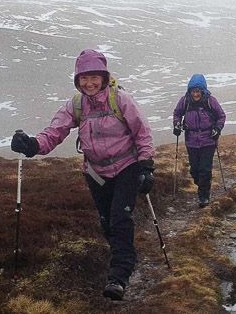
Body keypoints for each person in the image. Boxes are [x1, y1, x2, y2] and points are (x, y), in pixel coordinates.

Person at [10, 49, 155, 301]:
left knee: (120, 218)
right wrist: (32, 145)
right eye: (83, 78)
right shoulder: (76, 105)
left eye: (94, 77)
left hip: (126, 167)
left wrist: (146, 166)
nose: (89, 83)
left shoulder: (121, 100)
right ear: (77, 80)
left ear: (104, 77)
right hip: (95, 172)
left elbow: (142, 132)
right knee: (107, 221)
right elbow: (55, 131)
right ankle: (122, 254)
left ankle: (118, 276)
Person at [173, 74, 226, 208]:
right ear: (189, 91)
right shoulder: (185, 101)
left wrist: (217, 129)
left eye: (198, 91)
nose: (196, 94)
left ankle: (204, 197)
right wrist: (177, 124)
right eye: (193, 91)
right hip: (191, 140)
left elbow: (221, 116)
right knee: (194, 170)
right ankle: (202, 184)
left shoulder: (210, 101)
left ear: (203, 90)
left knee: (205, 169)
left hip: (208, 140)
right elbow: (177, 113)